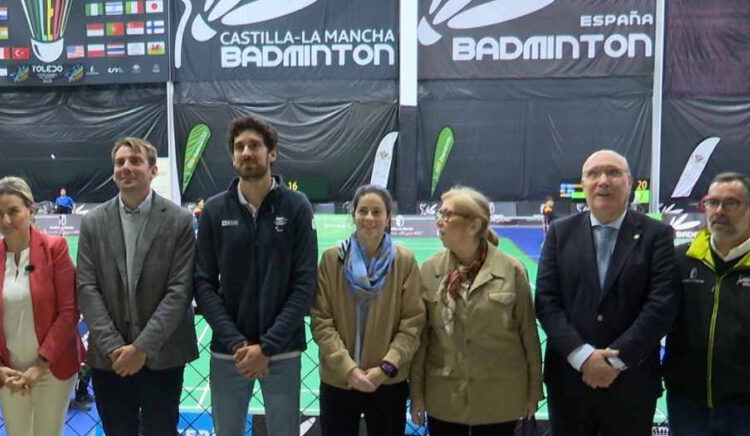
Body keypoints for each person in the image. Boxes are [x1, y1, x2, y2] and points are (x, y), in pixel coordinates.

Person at [535, 149, 679, 436]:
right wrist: (583, 357)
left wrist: (614, 361)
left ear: (629, 183)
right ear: (584, 184)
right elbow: (547, 302)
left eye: (613, 173)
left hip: (632, 382)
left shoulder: (657, 235)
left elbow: (661, 306)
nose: (603, 181)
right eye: (593, 174)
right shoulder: (559, 233)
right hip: (569, 380)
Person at [194, 116, 318, 436]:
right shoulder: (214, 210)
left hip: (283, 351)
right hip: (229, 353)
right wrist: (238, 343)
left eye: (254, 145)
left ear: (272, 153)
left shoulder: (297, 207)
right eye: (239, 147)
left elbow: (304, 284)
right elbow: (203, 283)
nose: (246, 152)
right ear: (233, 156)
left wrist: (267, 347)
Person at [77, 137, 198, 435]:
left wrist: (142, 348)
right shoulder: (93, 222)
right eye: (120, 162)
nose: (126, 168)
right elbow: (87, 287)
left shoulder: (179, 220)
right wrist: (115, 347)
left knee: (161, 430)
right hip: (111, 359)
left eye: (135, 161)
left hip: (164, 355)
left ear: (153, 170)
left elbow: (180, 290)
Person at [410, 186, 542, 436]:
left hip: (500, 399)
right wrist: (417, 393)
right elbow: (422, 340)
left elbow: (529, 337)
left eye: (448, 215)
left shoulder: (512, 270)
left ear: (473, 225)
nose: (440, 221)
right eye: (440, 213)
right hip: (445, 398)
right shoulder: (429, 270)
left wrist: (533, 393)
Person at [311, 185, 424, 436]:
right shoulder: (332, 260)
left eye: (376, 212)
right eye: (363, 211)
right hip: (339, 380)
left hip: (387, 381)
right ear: (354, 216)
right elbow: (321, 321)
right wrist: (348, 369)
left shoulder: (404, 261)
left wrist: (385, 368)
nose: (369, 218)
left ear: (388, 217)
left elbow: (412, 324)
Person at [0, 177, 84, 436]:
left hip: (52, 369)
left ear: (31, 210)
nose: (5, 221)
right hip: (8, 372)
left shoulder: (55, 248)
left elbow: (69, 312)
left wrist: (39, 366)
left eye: (13, 211)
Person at [663, 172, 750, 434]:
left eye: (730, 203)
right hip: (687, 405)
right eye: (712, 203)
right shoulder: (681, 259)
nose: (718, 211)